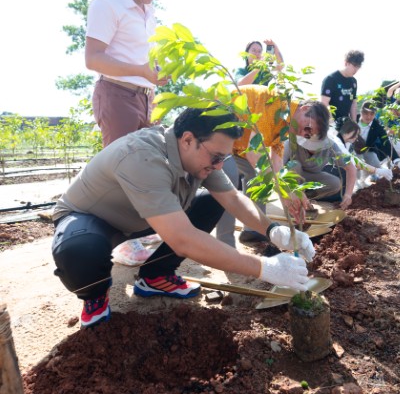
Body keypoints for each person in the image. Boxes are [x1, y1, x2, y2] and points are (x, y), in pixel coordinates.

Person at [52, 108, 314, 328]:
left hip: (139, 221)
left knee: (211, 201)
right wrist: (265, 268)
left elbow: (233, 198)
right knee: (81, 251)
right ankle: (95, 294)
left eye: (225, 157)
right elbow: (183, 240)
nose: (220, 165)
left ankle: (155, 276)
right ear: (188, 140)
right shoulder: (143, 156)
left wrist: (274, 231)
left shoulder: (198, 157)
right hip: (92, 220)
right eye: (217, 157)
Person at [86, 0, 170, 148]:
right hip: (117, 96)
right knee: (121, 171)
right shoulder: (107, 4)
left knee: (149, 168)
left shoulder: (149, 12)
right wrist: (141, 71)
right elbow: (92, 59)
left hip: (148, 100)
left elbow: (147, 60)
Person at [215, 85, 287, 246]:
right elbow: (254, 155)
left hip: (238, 147)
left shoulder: (283, 126)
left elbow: (277, 164)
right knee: (229, 183)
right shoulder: (271, 105)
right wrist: (272, 179)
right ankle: (225, 244)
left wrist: (288, 195)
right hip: (220, 139)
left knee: (256, 179)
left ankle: (253, 230)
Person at [284, 101, 358, 210]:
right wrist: (289, 190)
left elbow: (350, 167)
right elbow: (279, 167)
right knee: (294, 165)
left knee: (335, 183)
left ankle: (308, 198)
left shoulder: (331, 146)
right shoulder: (293, 139)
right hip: (292, 176)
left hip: (312, 177)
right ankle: (295, 197)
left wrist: (348, 195)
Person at [354, 101, 400, 172]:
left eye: (372, 114)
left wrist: (397, 161)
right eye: (366, 113)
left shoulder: (377, 125)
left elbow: (385, 142)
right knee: (355, 171)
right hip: (352, 151)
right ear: (361, 112)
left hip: (368, 150)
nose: (368, 116)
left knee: (376, 167)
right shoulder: (353, 119)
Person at [320, 50, 364, 127]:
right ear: (346, 63)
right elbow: (324, 103)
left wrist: (354, 123)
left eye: (358, 67)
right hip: (329, 123)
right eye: (354, 66)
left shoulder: (353, 82)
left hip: (345, 124)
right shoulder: (331, 79)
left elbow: (353, 103)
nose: (356, 70)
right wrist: (332, 124)